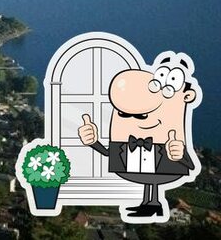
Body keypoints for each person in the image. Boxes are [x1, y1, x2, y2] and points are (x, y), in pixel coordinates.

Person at [77, 51, 200, 219]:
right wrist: (92, 141)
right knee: (150, 179)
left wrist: (179, 155)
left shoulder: (170, 143)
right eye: (125, 114)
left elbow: (190, 166)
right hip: (140, 166)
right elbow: (108, 152)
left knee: (152, 179)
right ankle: (150, 204)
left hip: (156, 164)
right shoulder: (126, 143)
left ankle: (152, 204)